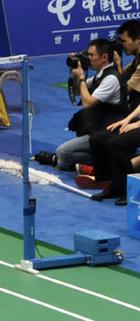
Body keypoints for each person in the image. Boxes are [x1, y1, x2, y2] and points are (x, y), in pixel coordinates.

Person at [84, 20, 140, 206]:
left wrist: (135, 123)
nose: (122, 45)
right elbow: (123, 82)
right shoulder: (136, 60)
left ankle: (131, 188)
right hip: (133, 117)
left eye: (124, 41)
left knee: (115, 144)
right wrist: (128, 120)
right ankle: (114, 184)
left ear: (138, 39)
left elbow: (125, 88)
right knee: (98, 140)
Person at [53, 39, 127, 171]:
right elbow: (77, 91)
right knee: (62, 158)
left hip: (109, 132)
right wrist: (75, 75)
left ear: (104, 57)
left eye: (91, 55)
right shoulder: (99, 76)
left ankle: (101, 161)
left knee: (62, 152)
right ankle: (96, 161)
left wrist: (81, 78)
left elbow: (87, 103)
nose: (88, 58)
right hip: (98, 128)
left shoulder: (111, 78)